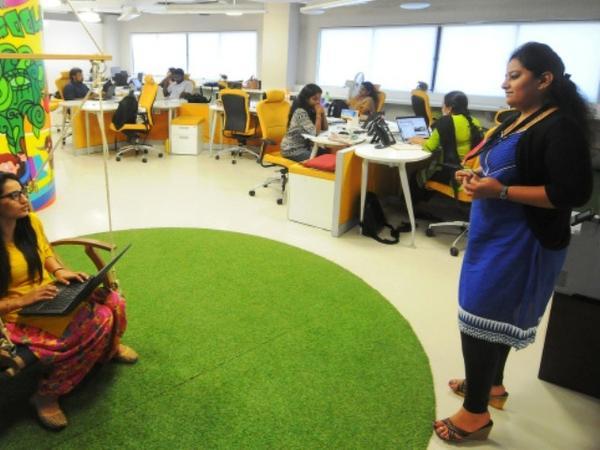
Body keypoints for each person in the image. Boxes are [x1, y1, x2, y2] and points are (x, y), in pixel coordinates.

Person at [433, 42, 592, 443]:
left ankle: (475, 415)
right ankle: (491, 386)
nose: (505, 83)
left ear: (544, 80)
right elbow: (502, 171)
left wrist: (500, 192)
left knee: (480, 320)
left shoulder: (559, 127)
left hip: (523, 243)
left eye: (515, 76)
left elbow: (571, 193)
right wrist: (475, 179)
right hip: (495, 236)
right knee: (488, 315)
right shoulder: (517, 120)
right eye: (506, 76)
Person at [0, 172, 138, 430]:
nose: (24, 199)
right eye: (14, 195)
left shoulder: (29, 221)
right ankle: (46, 395)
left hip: (49, 294)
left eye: (23, 191)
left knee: (114, 301)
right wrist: (25, 299)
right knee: (98, 320)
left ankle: (109, 348)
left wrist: (60, 271)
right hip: (17, 313)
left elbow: (46, 253)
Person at [409, 91, 483, 191]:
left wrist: (418, 140)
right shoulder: (475, 121)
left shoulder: (446, 121)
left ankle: (411, 201)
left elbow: (429, 147)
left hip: (455, 174)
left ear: (449, 108)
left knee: (415, 176)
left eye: (443, 104)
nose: (442, 106)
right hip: (470, 172)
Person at [280, 83, 328, 162]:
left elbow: (325, 128)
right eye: (315, 99)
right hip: (292, 149)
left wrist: (323, 114)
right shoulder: (300, 112)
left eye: (319, 99)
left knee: (326, 152)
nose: (318, 102)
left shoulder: (311, 109)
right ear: (306, 99)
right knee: (321, 159)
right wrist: (318, 114)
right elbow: (316, 133)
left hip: (305, 147)